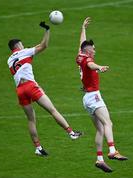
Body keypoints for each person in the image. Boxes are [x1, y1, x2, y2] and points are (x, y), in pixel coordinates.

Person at [7, 21, 82, 157]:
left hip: (20, 90)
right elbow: (44, 45)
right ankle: (71, 133)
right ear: (18, 45)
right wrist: (47, 30)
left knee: (31, 120)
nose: (23, 45)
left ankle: (38, 148)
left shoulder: (9, 60)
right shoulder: (24, 51)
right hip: (30, 86)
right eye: (22, 44)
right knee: (52, 110)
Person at [76, 17, 128, 172]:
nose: (95, 50)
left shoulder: (80, 56)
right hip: (93, 96)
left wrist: (83, 28)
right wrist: (99, 67)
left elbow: (81, 45)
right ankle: (112, 151)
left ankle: (99, 160)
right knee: (108, 123)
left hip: (86, 99)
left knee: (100, 129)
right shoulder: (88, 60)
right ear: (88, 51)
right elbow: (91, 65)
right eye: (93, 48)